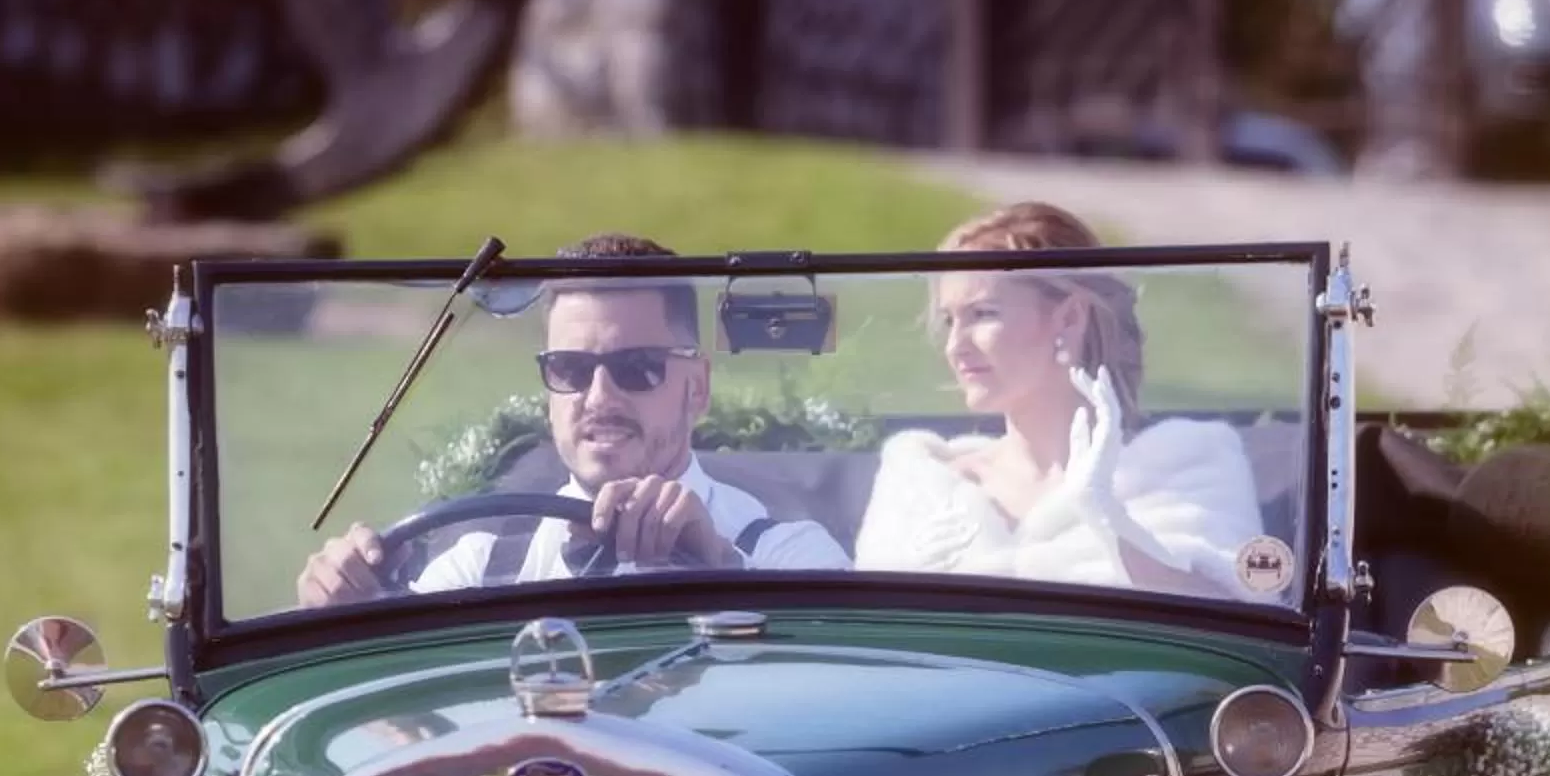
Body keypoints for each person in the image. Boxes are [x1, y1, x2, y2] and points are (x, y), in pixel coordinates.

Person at [297, 232, 849, 606]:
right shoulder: (485, 565)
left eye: (637, 367)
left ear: (697, 386)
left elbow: (840, 685)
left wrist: (722, 572)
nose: (599, 396)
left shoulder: (786, 556)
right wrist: (346, 601)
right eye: (570, 368)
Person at [853, 203, 1262, 597]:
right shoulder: (919, 479)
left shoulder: (1188, 466)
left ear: (1069, 318)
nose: (954, 346)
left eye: (982, 314)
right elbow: (869, 633)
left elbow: (1235, 618)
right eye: (949, 320)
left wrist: (1111, 521)